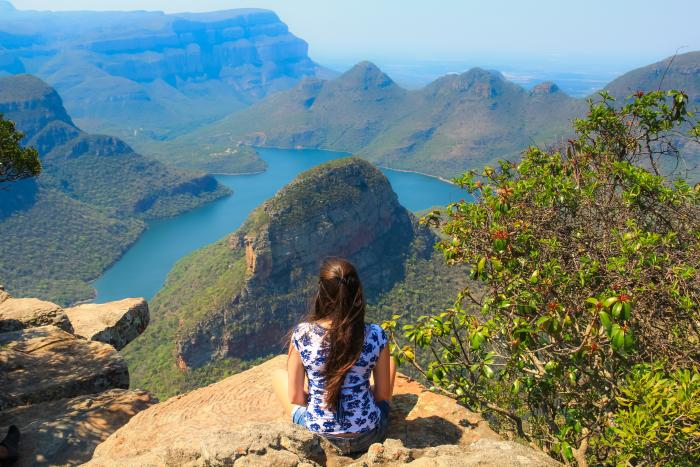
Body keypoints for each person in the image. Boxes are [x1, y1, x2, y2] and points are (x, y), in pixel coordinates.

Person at [272, 258, 397, 455]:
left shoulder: (302, 334)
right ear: (357, 292)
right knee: (391, 362)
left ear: (321, 292)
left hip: (319, 437)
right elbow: (382, 396)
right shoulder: (376, 335)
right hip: (368, 435)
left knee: (277, 375)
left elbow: (296, 397)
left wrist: (322, 397)